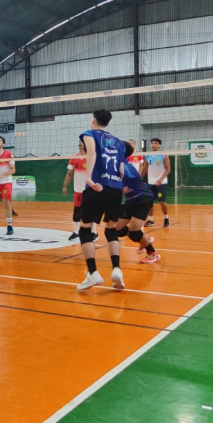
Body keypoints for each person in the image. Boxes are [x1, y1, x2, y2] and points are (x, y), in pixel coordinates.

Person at [77, 109, 125, 291]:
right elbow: (121, 170)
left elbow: (92, 154)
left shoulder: (89, 134)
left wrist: (88, 178)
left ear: (93, 120)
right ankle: (117, 270)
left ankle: (93, 273)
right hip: (115, 188)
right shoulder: (118, 142)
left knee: (85, 229)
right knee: (111, 229)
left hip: (97, 186)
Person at [116, 141, 161, 264]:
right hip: (131, 199)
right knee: (117, 229)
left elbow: (124, 187)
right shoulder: (118, 164)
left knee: (134, 233)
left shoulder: (125, 167)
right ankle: (144, 239)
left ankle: (152, 253)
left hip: (143, 198)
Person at [63, 142, 98, 242]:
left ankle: (94, 232)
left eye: (82, 143)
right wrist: (65, 186)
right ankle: (75, 232)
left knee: (91, 211)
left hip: (89, 189)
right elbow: (69, 174)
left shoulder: (91, 157)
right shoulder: (74, 158)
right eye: (79, 143)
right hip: (78, 190)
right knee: (77, 211)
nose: (80, 145)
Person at [144, 138, 171, 228]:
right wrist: (139, 178)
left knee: (161, 202)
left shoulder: (164, 155)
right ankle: (151, 220)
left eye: (155, 143)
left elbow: (168, 169)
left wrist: (161, 179)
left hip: (161, 183)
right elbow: (145, 168)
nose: (153, 145)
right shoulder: (147, 155)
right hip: (150, 183)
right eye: (152, 143)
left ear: (159, 145)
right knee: (149, 202)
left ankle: (166, 218)